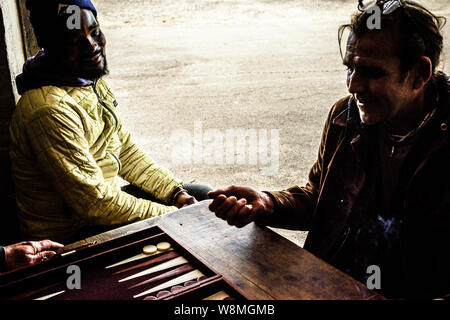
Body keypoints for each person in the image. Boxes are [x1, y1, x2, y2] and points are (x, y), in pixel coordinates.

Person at [208, 0, 449, 299]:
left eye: (371, 72)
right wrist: (269, 204)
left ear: (419, 74)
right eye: (350, 68)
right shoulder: (345, 118)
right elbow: (322, 200)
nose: (353, 85)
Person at [9, 0, 211, 244]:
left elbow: (124, 149)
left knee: (204, 197)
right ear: (52, 47)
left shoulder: (86, 78)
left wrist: (175, 193)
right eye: (75, 40)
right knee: (194, 229)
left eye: (94, 32)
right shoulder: (48, 110)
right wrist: (174, 216)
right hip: (72, 236)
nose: (92, 46)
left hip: (103, 206)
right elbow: (95, 204)